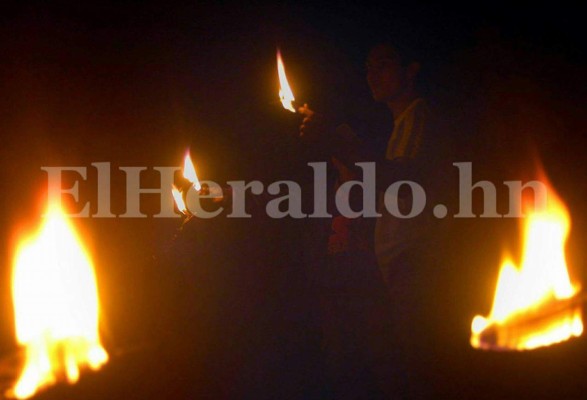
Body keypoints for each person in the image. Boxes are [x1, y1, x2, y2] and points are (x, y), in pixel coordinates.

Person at [300, 42, 453, 398]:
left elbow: (405, 185)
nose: (372, 75)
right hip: (398, 272)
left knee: (418, 375)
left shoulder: (420, 115)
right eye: (367, 67)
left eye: (383, 65)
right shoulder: (400, 127)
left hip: (418, 269)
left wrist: (340, 147)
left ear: (411, 69)